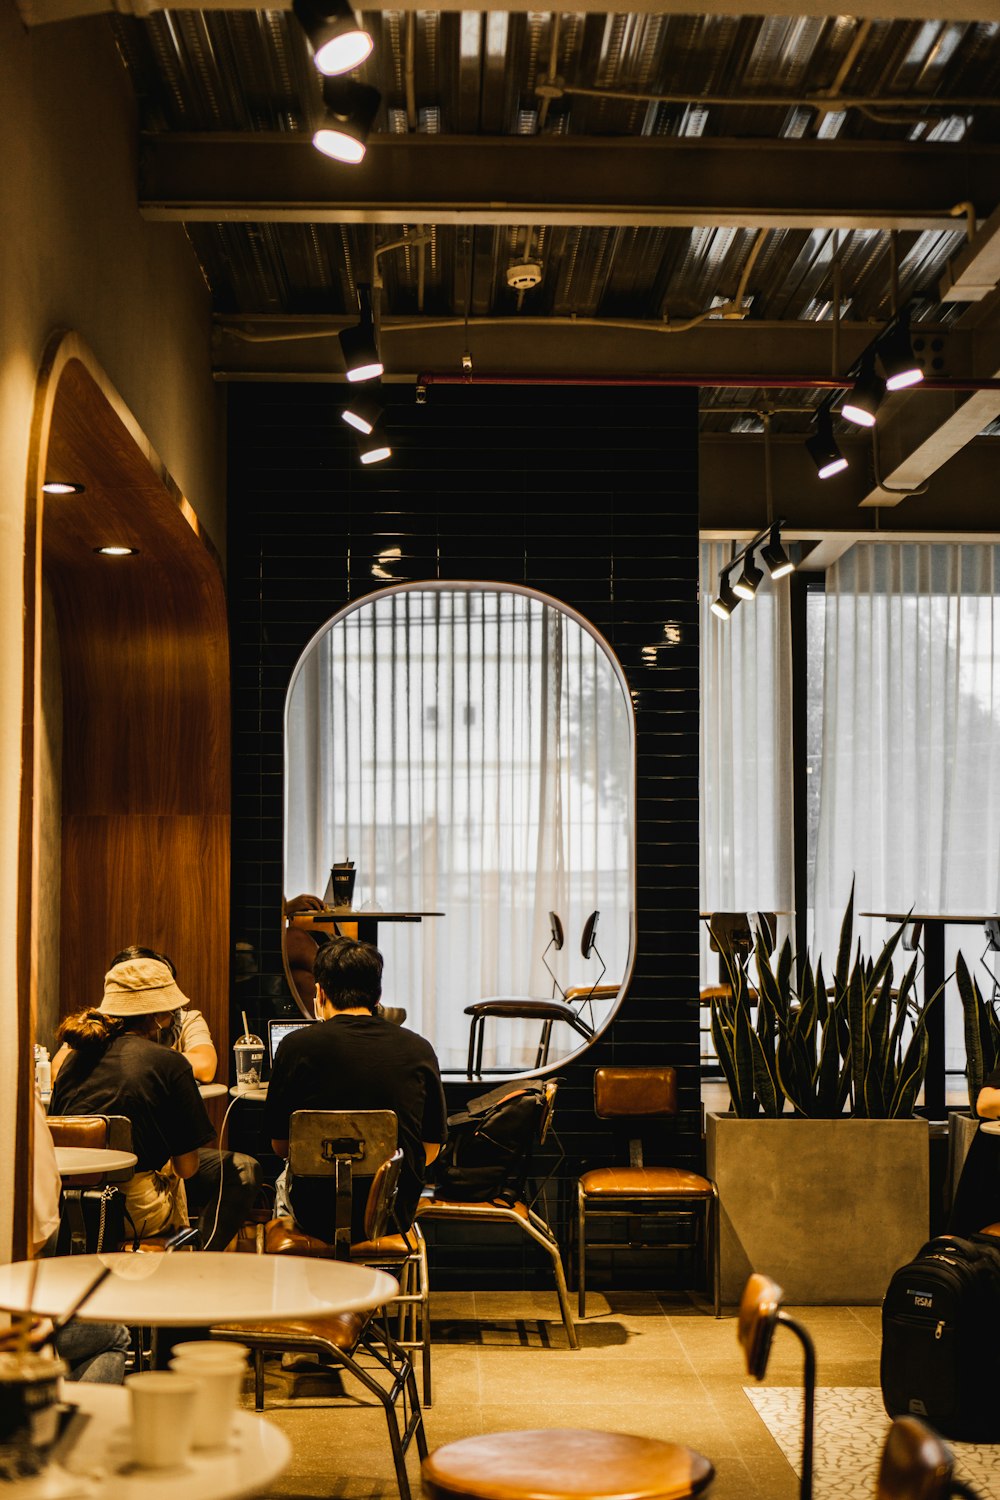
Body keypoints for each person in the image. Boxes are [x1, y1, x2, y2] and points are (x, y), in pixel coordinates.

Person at [264, 936, 447, 1241]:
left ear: (319, 992)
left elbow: (281, 1147)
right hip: (390, 1213)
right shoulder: (418, 1048)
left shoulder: (296, 1046)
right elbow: (430, 1150)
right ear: (378, 995)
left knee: (283, 1181)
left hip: (315, 1215)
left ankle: (300, 1283)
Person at [49, 956, 216, 1242]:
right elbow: (187, 1169)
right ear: (158, 1015)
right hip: (131, 1215)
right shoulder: (170, 1063)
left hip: (67, 1211)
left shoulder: (72, 1059)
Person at [12, 1092, 132, 1382]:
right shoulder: (17, 1094)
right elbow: (40, 1229)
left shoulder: (69, 1062)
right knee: (115, 1334)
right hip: (11, 1320)